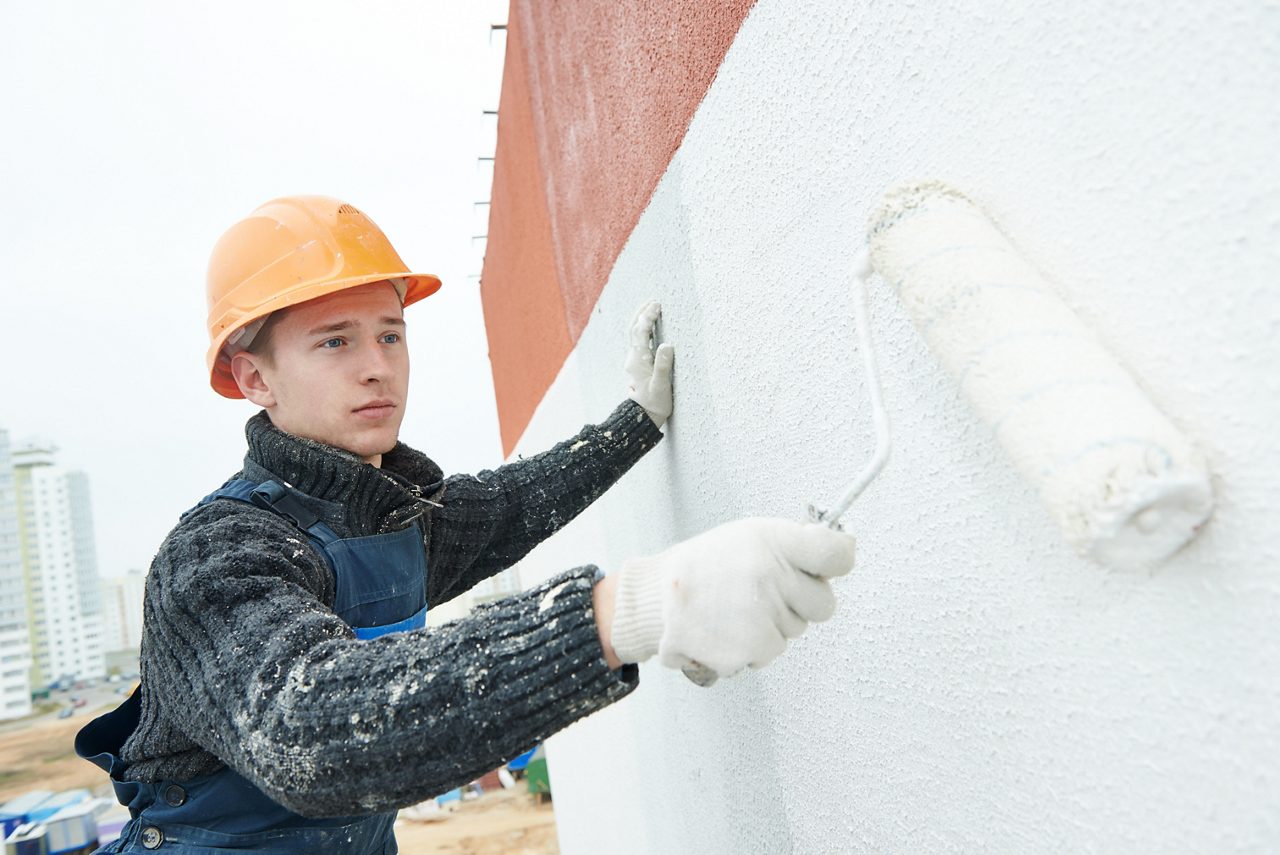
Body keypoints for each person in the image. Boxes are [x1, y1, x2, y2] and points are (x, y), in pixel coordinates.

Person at [75, 196, 856, 853]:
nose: (376, 363)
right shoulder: (216, 556)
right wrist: (637, 609)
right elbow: (306, 731)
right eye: (334, 341)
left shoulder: (390, 522)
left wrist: (637, 424)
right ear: (254, 377)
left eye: (389, 332)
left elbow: (513, 503)